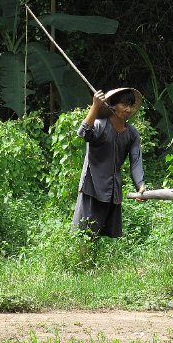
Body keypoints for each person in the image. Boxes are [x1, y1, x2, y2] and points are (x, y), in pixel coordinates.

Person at [72, 87, 147, 238]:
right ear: (112, 105)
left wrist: (141, 185)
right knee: (82, 234)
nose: (128, 109)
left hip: (112, 189)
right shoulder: (100, 125)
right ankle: (80, 260)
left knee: (98, 234)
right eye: (124, 104)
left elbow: (136, 161)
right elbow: (83, 133)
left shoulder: (131, 133)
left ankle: (93, 261)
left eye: (130, 105)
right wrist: (95, 105)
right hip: (91, 186)